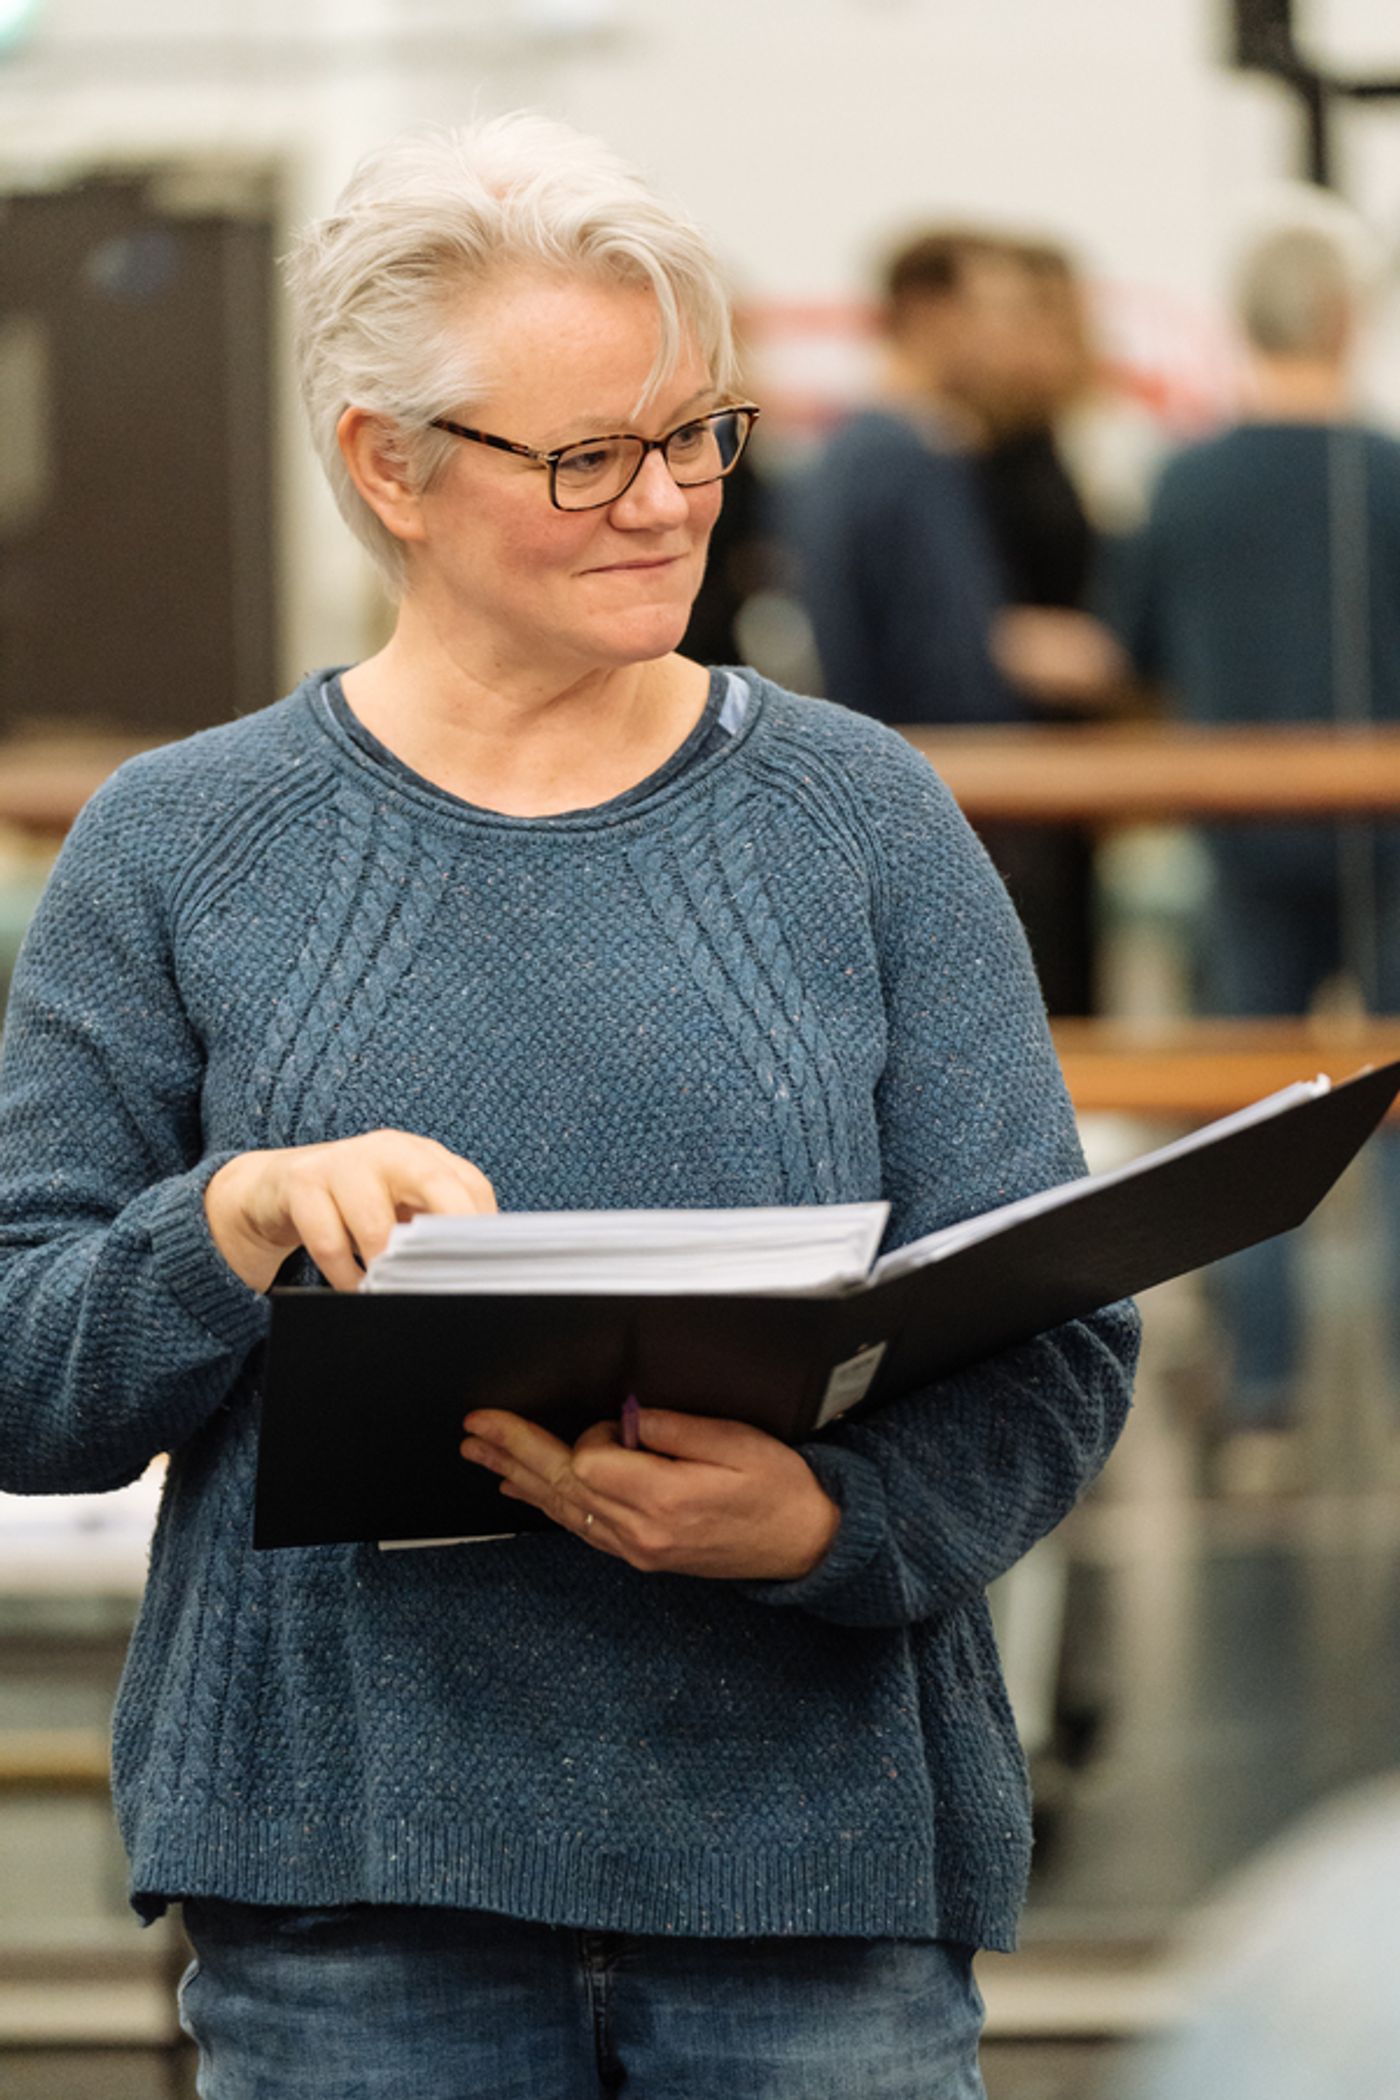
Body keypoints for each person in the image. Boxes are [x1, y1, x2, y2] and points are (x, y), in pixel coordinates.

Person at [0, 114, 1138, 2098]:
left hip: (815, 1898)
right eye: (587, 456)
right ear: (389, 468)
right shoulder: (178, 843)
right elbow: (24, 1376)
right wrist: (231, 1224)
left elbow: (1055, 1333)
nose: (668, 504)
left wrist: (830, 1521)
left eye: (698, 434)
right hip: (351, 1917)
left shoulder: (862, 824)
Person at [1108, 206, 1400, 1486]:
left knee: (1258, 1120)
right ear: (1346, 319)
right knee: (1391, 1116)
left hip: (1237, 843)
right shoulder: (1386, 475)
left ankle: (1268, 1398)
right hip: (1384, 840)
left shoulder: (1187, 477)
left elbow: (1129, 649)